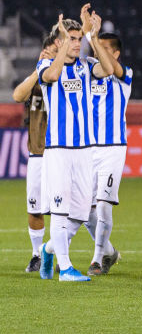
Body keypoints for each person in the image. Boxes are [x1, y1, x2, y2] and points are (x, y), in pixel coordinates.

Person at [35, 15, 95, 282]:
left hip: (84, 150)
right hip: (58, 148)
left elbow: (109, 69)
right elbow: (53, 75)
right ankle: (66, 268)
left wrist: (92, 34)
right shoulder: (46, 64)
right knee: (59, 210)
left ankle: (49, 250)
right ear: (59, 42)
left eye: (79, 39)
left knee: (82, 213)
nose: (77, 44)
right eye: (72, 39)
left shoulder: (85, 67)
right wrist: (61, 49)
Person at [80, 7, 132, 276]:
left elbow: (110, 67)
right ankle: (110, 252)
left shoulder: (125, 75)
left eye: (105, 47)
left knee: (102, 204)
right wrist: (85, 33)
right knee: (84, 210)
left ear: (117, 52)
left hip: (112, 149)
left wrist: (93, 37)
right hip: (88, 149)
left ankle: (97, 259)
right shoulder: (87, 70)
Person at [12, 31, 58, 272]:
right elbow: (17, 95)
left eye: (53, 53)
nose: (48, 57)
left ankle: (59, 252)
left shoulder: (64, 80)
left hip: (61, 152)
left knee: (63, 209)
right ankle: (36, 254)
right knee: (35, 207)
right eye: (46, 52)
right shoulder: (36, 83)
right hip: (38, 154)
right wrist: (35, 71)